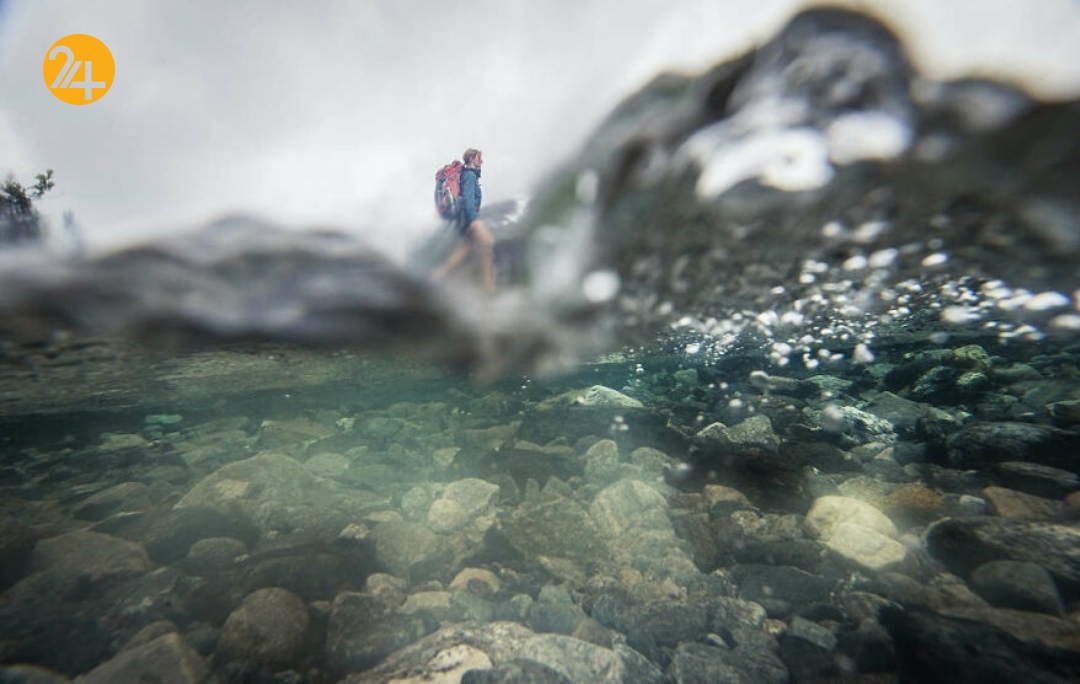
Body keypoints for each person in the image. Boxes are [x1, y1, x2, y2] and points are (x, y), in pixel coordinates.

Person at [432, 148, 496, 291]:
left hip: (464, 219)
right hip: (468, 219)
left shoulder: (468, 175)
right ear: (472, 159)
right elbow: (468, 200)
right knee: (488, 243)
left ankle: (436, 278)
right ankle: (488, 287)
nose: (482, 161)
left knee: (463, 253)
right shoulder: (469, 176)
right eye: (479, 158)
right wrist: (474, 220)